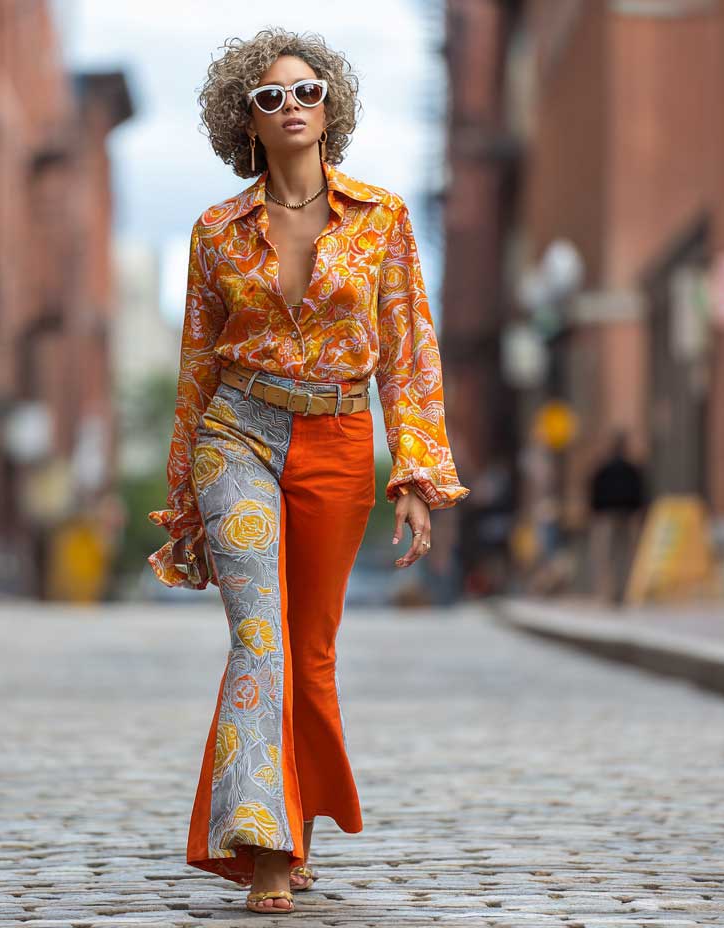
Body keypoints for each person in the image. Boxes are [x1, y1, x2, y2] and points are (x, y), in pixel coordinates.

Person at [145, 29, 470, 915]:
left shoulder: (384, 221)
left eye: (307, 90)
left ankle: (299, 816)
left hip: (335, 441)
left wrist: (416, 475)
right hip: (236, 434)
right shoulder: (216, 232)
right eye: (270, 97)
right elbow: (195, 371)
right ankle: (265, 848)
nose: (292, 106)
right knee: (262, 638)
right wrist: (184, 502)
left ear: (333, 107)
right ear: (245, 123)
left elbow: (410, 357)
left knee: (312, 654)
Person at [587, 430, 648, 606]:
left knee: (608, 555)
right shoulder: (632, 468)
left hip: (607, 516)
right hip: (626, 515)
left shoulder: (603, 468)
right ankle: (621, 591)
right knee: (624, 554)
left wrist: (594, 512)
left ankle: (609, 592)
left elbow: (594, 493)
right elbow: (640, 492)